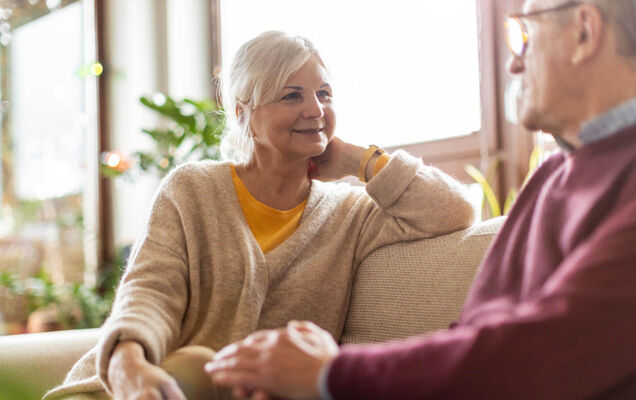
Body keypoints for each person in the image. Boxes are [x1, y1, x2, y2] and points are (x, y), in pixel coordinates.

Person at [205, 0, 636, 399]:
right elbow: (474, 334)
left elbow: (542, 352)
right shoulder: (553, 174)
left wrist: (331, 372)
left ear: (584, 31)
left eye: (524, 33)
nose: (513, 62)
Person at [43, 31, 474, 400]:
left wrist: (360, 161)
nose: (316, 109)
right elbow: (150, 291)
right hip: (150, 385)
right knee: (190, 369)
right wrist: (128, 366)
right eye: (292, 95)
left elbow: (455, 210)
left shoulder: (350, 214)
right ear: (243, 114)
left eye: (324, 93)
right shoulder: (191, 189)